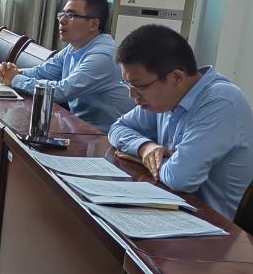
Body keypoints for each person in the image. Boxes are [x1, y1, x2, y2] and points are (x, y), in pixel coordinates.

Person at [108, 24, 253, 219]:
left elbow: (180, 178)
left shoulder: (221, 102)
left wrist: (149, 160)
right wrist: (145, 147)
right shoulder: (164, 97)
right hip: (172, 207)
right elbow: (117, 128)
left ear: (176, 77)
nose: (133, 96)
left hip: (213, 225)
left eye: (139, 87)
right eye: (128, 85)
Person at [0, 0, 133, 132]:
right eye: (62, 14)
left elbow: (62, 91)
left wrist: (15, 79)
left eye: (71, 15)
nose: (62, 20)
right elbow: (44, 72)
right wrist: (15, 73)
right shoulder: (75, 46)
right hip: (79, 127)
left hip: (106, 136)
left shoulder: (104, 55)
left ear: (93, 24)